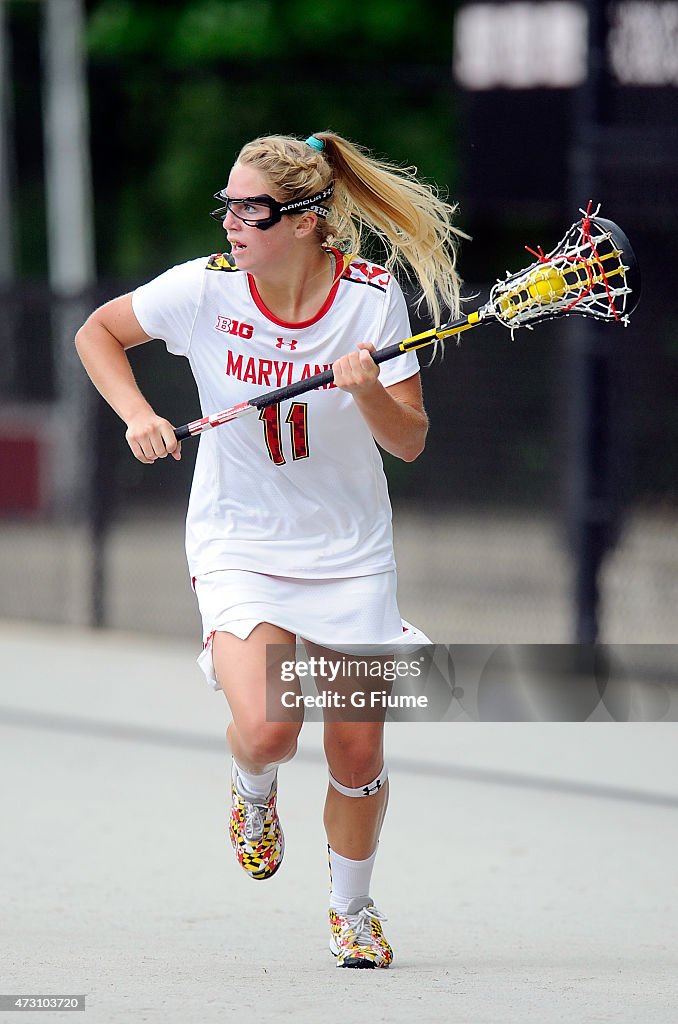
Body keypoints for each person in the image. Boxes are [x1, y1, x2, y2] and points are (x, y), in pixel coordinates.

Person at [75, 131, 464, 969]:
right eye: (229, 203)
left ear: (305, 220)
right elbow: (98, 334)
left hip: (350, 552)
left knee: (357, 748)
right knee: (270, 730)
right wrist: (138, 415)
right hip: (241, 541)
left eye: (250, 208)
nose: (231, 222)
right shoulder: (204, 292)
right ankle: (254, 793)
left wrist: (368, 396)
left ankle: (350, 912)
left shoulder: (369, 298)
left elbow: (410, 443)